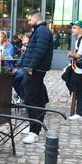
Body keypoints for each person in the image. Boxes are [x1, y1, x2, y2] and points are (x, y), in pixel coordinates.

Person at [20, 10, 53, 144]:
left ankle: (34, 131)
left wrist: (31, 67)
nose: (28, 22)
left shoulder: (42, 31)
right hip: (35, 69)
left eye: (29, 19)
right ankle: (34, 126)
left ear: (36, 17)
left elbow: (40, 51)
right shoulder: (40, 30)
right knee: (37, 98)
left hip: (35, 70)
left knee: (31, 99)